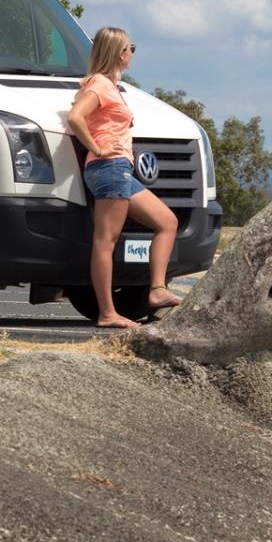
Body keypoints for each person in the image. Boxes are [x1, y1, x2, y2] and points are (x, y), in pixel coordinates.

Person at [65, 28, 180, 328]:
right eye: (131, 48)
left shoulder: (111, 86)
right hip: (109, 167)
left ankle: (156, 291)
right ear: (120, 52)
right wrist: (98, 147)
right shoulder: (100, 84)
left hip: (120, 170)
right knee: (105, 241)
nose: (132, 53)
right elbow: (76, 117)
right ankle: (107, 313)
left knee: (167, 222)